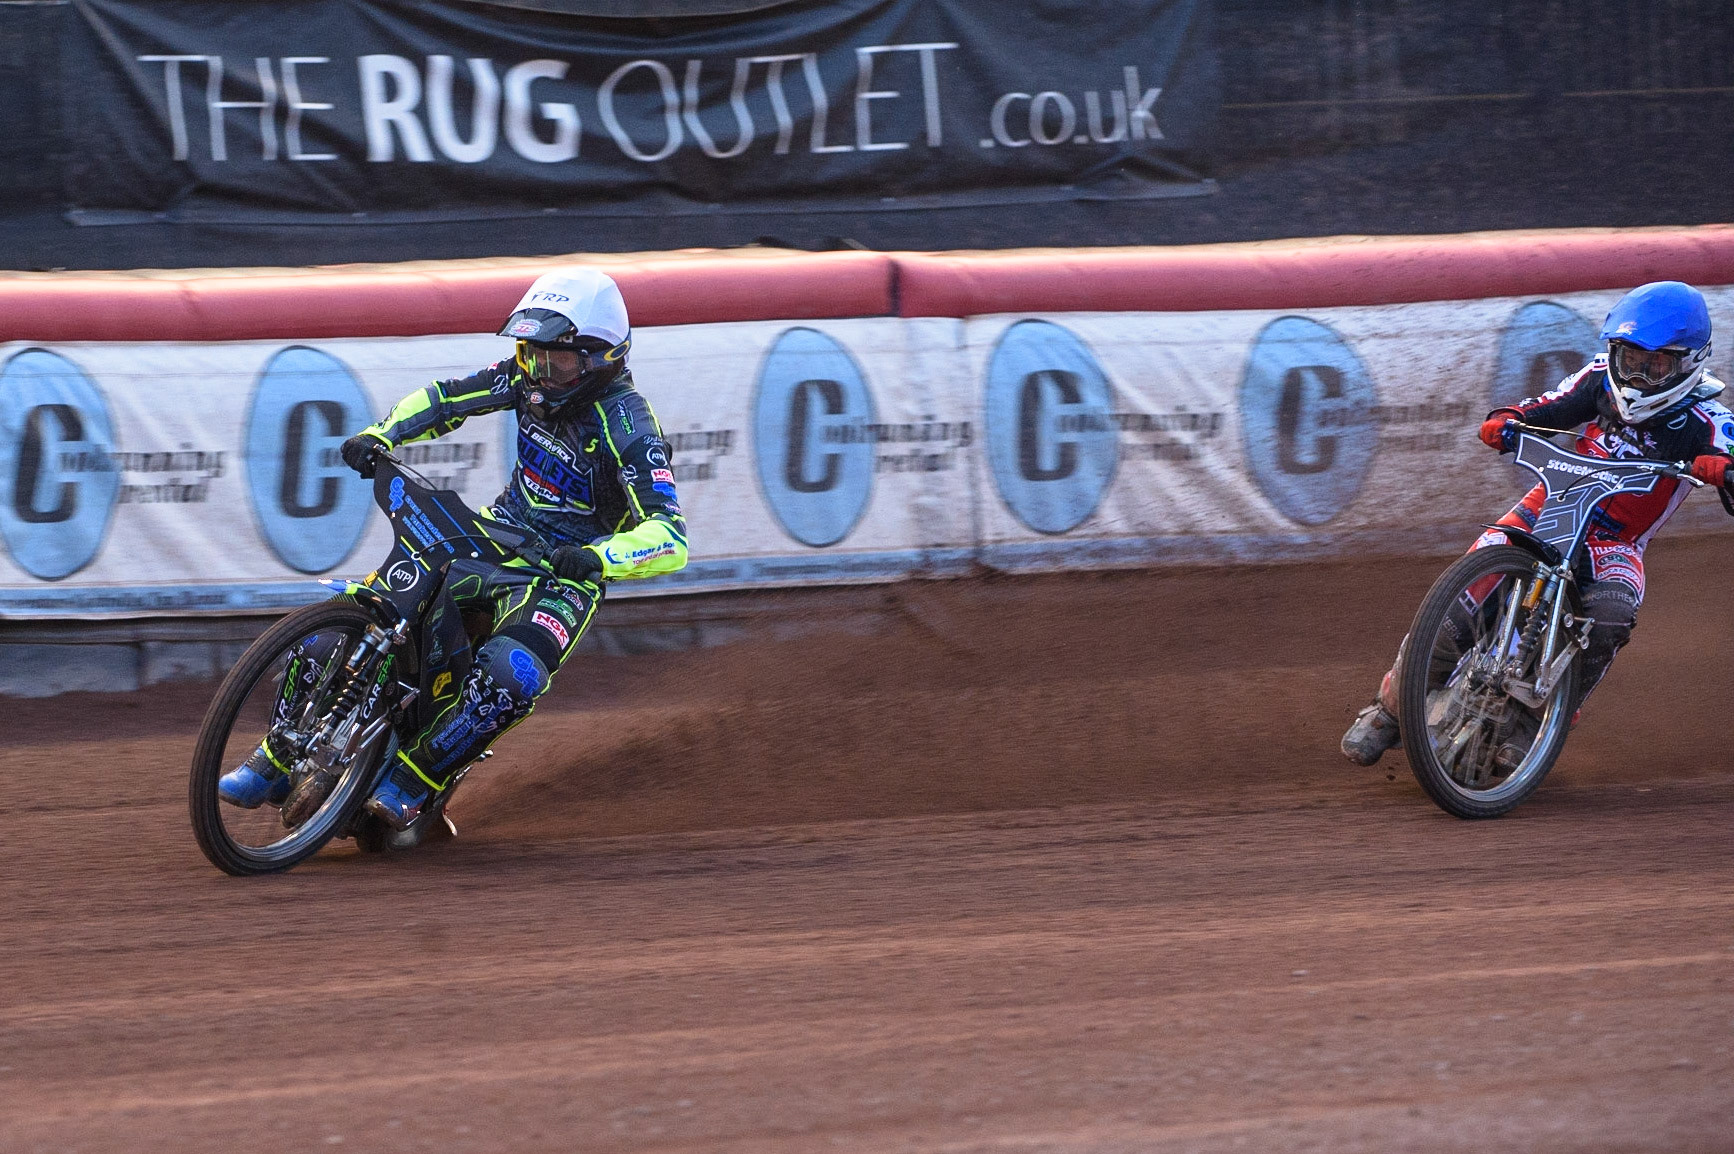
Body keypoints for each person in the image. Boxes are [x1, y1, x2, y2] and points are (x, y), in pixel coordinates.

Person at [218, 267, 688, 827]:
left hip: (563, 575)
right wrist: (381, 433)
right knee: (354, 612)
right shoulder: (526, 377)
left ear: (600, 357)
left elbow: (669, 537)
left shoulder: (628, 423)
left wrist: (598, 556)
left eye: (553, 358)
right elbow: (446, 399)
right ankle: (272, 755)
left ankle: (416, 779)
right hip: (495, 533)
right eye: (529, 353)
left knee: (514, 673)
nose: (535, 371)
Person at [1342, 280, 1730, 766]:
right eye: (1631, 359)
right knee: (1463, 597)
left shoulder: (1708, 419)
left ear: (1690, 361)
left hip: (1613, 543)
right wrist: (1507, 419)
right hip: (1546, 505)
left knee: (1611, 616)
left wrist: (1723, 469)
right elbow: (1547, 406)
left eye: (1657, 365)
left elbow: (1730, 452)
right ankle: (1391, 711)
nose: (1639, 376)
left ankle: (1534, 727)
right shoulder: (1598, 379)